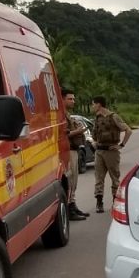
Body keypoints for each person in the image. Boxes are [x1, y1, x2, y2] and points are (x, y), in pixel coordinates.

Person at [91, 95, 132, 213]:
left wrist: (121, 145)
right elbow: (94, 134)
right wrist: (94, 142)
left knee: (115, 177)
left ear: (99, 104)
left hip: (111, 151)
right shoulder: (97, 118)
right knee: (99, 178)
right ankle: (99, 203)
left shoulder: (113, 116)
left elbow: (128, 130)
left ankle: (115, 201)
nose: (92, 106)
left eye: (93, 104)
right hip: (99, 151)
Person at [62, 88, 90, 220]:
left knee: (74, 181)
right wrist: (78, 131)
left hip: (74, 150)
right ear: (62, 99)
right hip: (68, 150)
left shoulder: (67, 114)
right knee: (71, 180)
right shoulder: (61, 115)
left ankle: (73, 206)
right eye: (70, 99)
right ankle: (70, 209)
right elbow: (64, 134)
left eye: (73, 98)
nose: (73, 101)